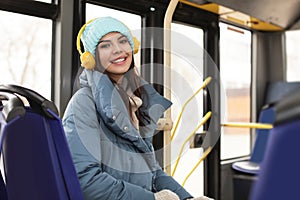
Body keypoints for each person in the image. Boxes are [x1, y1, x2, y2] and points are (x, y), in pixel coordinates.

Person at [62, 16, 212, 200]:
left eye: (123, 41)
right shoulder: (83, 104)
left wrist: (187, 199)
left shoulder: (135, 101)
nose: (118, 49)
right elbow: (85, 181)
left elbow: (153, 173)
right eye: (105, 45)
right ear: (90, 58)